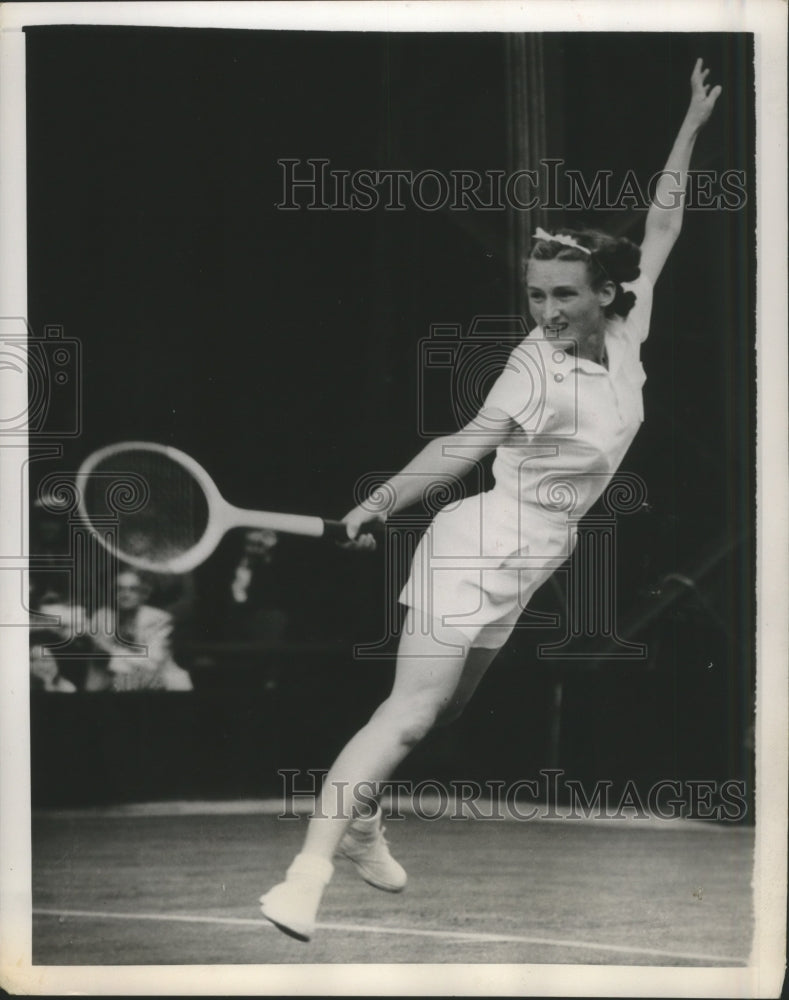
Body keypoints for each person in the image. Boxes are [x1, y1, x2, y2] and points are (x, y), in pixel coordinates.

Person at [260, 60, 722, 940]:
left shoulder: (630, 331)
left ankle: (361, 819)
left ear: (606, 296)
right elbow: (457, 447)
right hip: (473, 543)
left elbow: (663, 221)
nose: (544, 310)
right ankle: (306, 873)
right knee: (406, 713)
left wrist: (690, 125)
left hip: (538, 554)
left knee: (448, 708)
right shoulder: (529, 368)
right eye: (534, 295)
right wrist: (382, 503)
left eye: (560, 295)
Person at [86, 568, 193, 692]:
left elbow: (151, 663)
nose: (125, 595)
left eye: (133, 589)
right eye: (119, 589)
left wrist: (110, 650)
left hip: (161, 686)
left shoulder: (159, 619)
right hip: (115, 684)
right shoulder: (102, 616)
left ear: (143, 594)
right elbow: (97, 663)